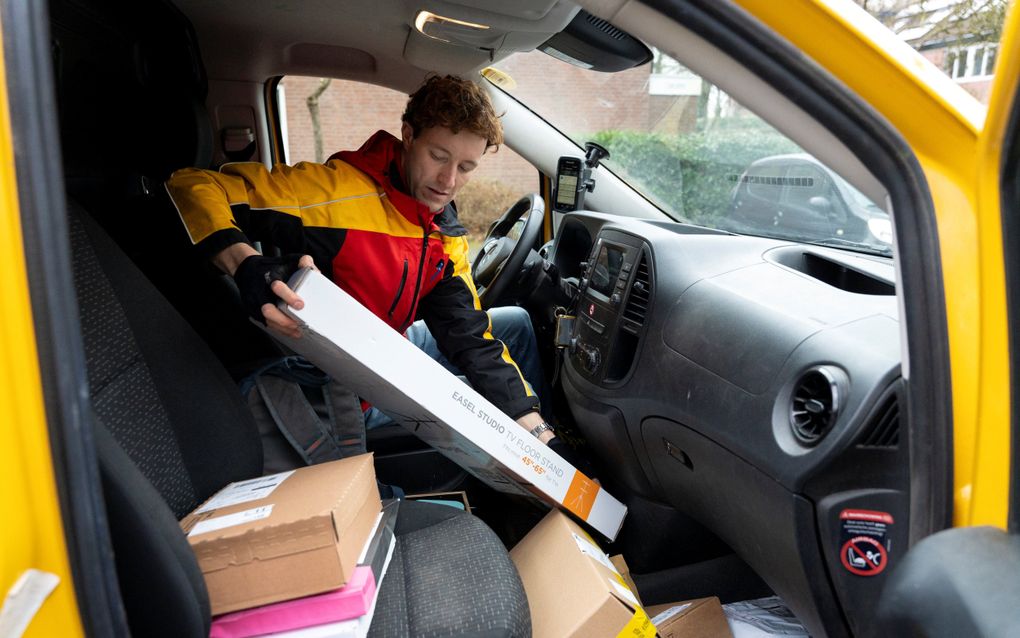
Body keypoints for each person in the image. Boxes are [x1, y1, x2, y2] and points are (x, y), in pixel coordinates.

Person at [166, 74, 568, 452]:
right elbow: (192, 184)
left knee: (513, 323)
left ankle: (551, 450)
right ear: (409, 136)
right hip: (344, 390)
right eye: (438, 156)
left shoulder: (441, 232)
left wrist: (533, 426)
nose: (448, 180)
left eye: (465, 167)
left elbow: (468, 334)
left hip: (389, 347)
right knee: (477, 406)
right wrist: (244, 262)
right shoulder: (335, 194)